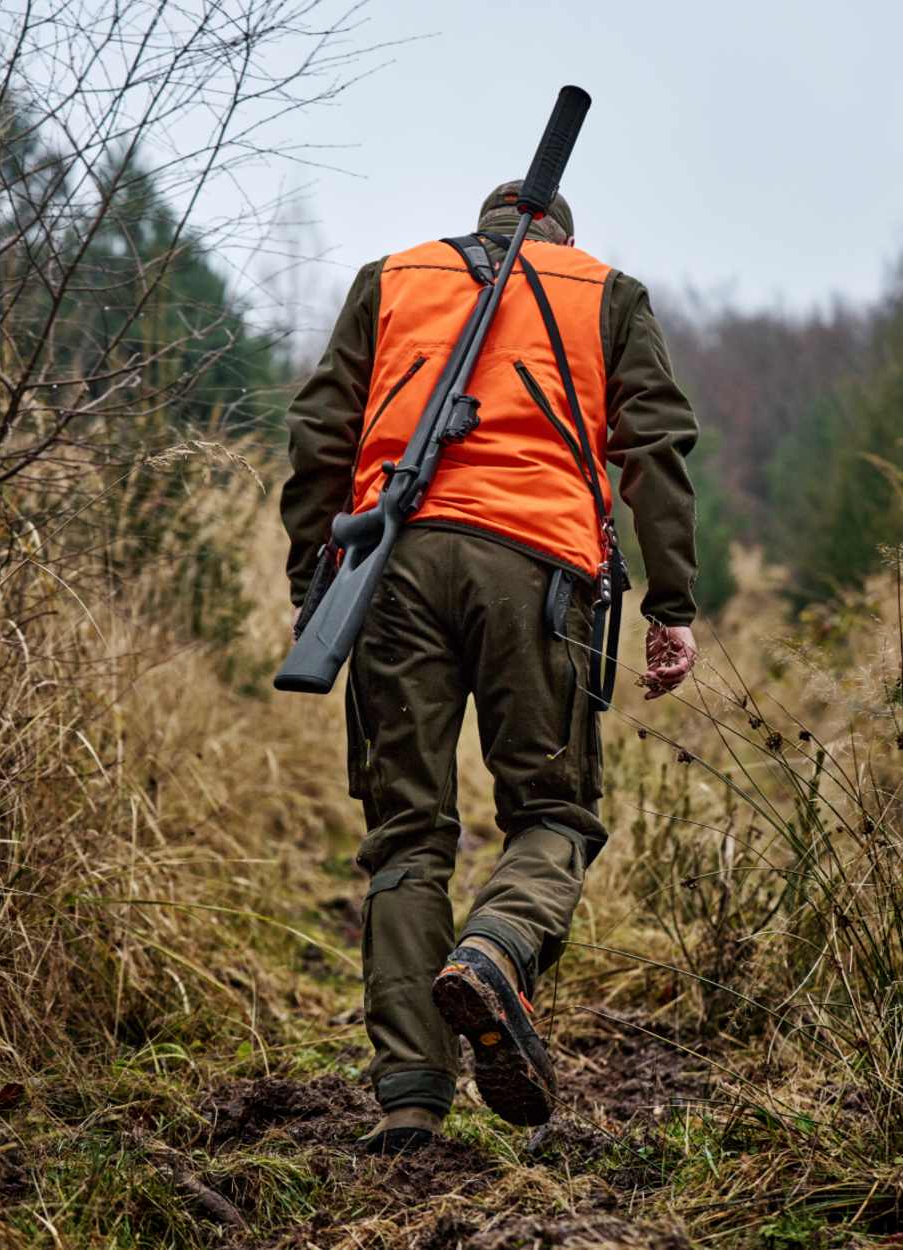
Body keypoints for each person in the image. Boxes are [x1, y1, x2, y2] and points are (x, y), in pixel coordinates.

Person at [280, 181, 699, 1154]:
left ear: (488, 221)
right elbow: (654, 450)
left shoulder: (391, 278)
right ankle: (496, 947)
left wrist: (314, 574)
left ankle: (410, 1099)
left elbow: (318, 435)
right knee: (551, 812)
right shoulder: (608, 292)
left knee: (406, 835)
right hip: (538, 567)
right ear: (560, 233)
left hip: (391, 564)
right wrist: (671, 602)